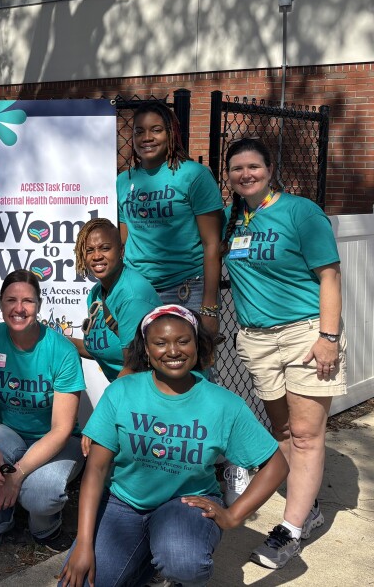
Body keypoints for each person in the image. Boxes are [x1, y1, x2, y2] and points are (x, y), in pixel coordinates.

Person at [58, 305, 289, 587]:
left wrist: (232, 516)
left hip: (185, 505)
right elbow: (95, 468)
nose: (173, 351)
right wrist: (83, 543)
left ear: (196, 343)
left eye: (183, 341)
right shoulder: (122, 391)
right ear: (146, 348)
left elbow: (276, 465)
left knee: (183, 561)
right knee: (80, 582)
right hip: (124, 503)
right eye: (160, 343)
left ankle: (171, 572)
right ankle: (145, 565)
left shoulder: (223, 404)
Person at [221, 137, 345, 569]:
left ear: (269, 169)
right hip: (256, 339)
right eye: (237, 169)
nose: (245, 174)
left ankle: (290, 530)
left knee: (308, 436)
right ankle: (306, 505)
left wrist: (328, 338)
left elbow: (329, 275)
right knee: (282, 432)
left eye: (253, 166)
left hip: (305, 335)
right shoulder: (232, 220)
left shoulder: (300, 212)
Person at [0, 270, 85, 551]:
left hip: (56, 441)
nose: (19, 308)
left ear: (39, 305)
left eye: (28, 301)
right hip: (9, 435)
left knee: (41, 494)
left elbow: (62, 429)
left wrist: (16, 476)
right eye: (11, 300)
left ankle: (44, 527)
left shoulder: (61, 351)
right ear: (1, 303)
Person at [116, 101, 223, 335]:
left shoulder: (195, 175)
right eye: (139, 131)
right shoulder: (124, 181)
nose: (147, 138)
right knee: (141, 363)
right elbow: (123, 241)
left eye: (156, 130)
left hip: (187, 289)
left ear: (171, 133)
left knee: (191, 366)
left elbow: (212, 245)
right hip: (138, 290)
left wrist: (209, 308)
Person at [71, 218, 161, 381]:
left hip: (147, 391)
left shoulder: (133, 296)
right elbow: (99, 348)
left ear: (121, 251)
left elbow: (134, 367)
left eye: (105, 248)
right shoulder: (97, 292)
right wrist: (50, 339)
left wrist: (107, 403)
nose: (97, 256)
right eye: (90, 250)